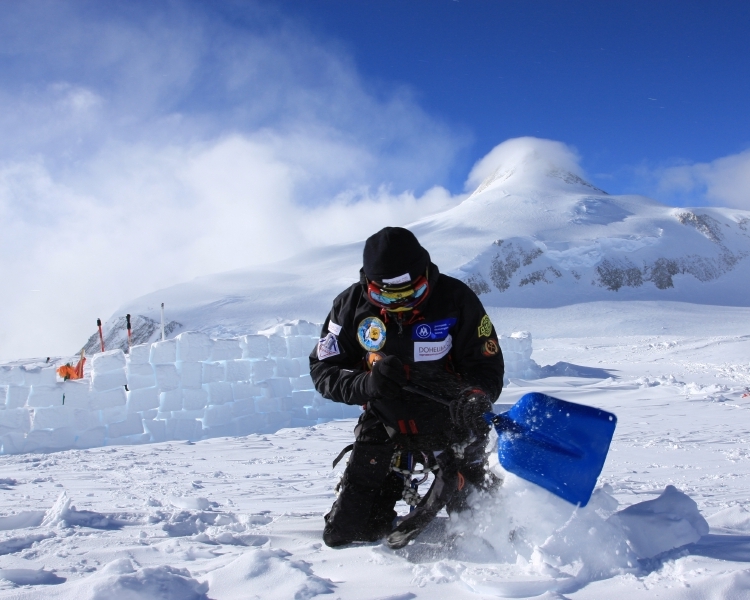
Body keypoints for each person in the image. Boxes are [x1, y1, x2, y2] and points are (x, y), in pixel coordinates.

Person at [310, 226, 504, 549]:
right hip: (386, 420)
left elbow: (488, 368)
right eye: (387, 298)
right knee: (348, 534)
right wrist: (366, 384)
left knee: (481, 527)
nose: (400, 305)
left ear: (425, 275)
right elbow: (323, 369)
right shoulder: (350, 307)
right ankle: (391, 481)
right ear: (369, 286)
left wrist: (474, 398)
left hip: (451, 421)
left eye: (411, 294)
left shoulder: (457, 300)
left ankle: (465, 482)